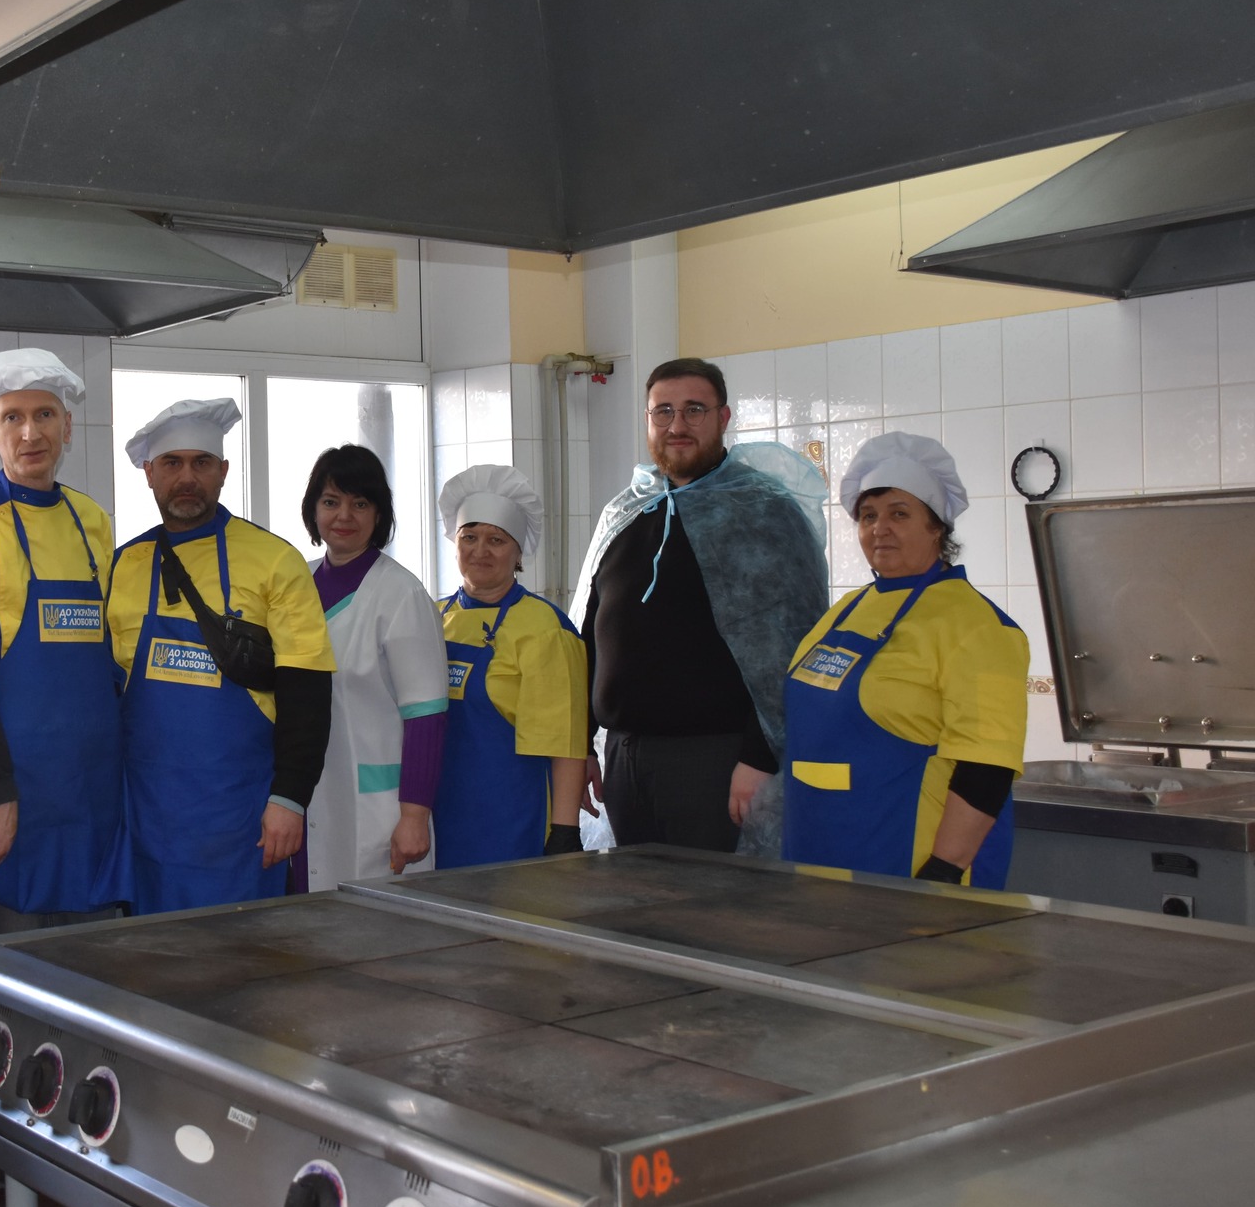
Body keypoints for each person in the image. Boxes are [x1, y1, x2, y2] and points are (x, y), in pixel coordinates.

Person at [572, 357, 828, 857]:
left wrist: (759, 756)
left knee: (712, 902)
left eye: (694, 410)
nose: (677, 426)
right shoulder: (627, 511)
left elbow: (795, 644)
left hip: (717, 761)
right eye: (663, 412)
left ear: (723, 418)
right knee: (635, 901)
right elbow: (586, 636)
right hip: (624, 756)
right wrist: (579, 744)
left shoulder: (765, 511)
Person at [106, 397, 335, 913]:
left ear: (224, 472)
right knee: (149, 948)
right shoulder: (125, 564)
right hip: (146, 812)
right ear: (149, 474)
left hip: (242, 815)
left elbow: (307, 692)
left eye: (202, 463)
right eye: (172, 463)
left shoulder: (274, 560)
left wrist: (290, 798)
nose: (187, 478)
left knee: (241, 951)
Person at [0, 348, 121, 933]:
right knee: (9, 967)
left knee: (95, 962)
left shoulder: (93, 521)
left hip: (93, 790)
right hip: (11, 794)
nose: (31, 433)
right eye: (12, 418)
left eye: (44, 415)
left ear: (68, 427)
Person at [783, 432, 1028, 887]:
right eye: (868, 516)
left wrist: (943, 872)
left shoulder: (979, 627)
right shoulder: (846, 610)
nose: (880, 528)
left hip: (911, 864)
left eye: (899, 513)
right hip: (817, 849)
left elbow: (987, 769)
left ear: (937, 527)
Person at [298, 445, 449, 890]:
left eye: (360, 503)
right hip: (305, 798)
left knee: (377, 924)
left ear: (379, 514)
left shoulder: (401, 595)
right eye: (331, 501)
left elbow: (426, 715)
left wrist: (414, 816)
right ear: (313, 510)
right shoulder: (295, 585)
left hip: (381, 807)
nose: (344, 515)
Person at [432, 465, 588, 867]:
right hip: (435, 815)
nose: (480, 551)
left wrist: (564, 831)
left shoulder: (544, 628)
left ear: (518, 553)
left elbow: (565, 743)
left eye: (496, 540)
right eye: (469, 537)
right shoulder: (431, 617)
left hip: (511, 817)